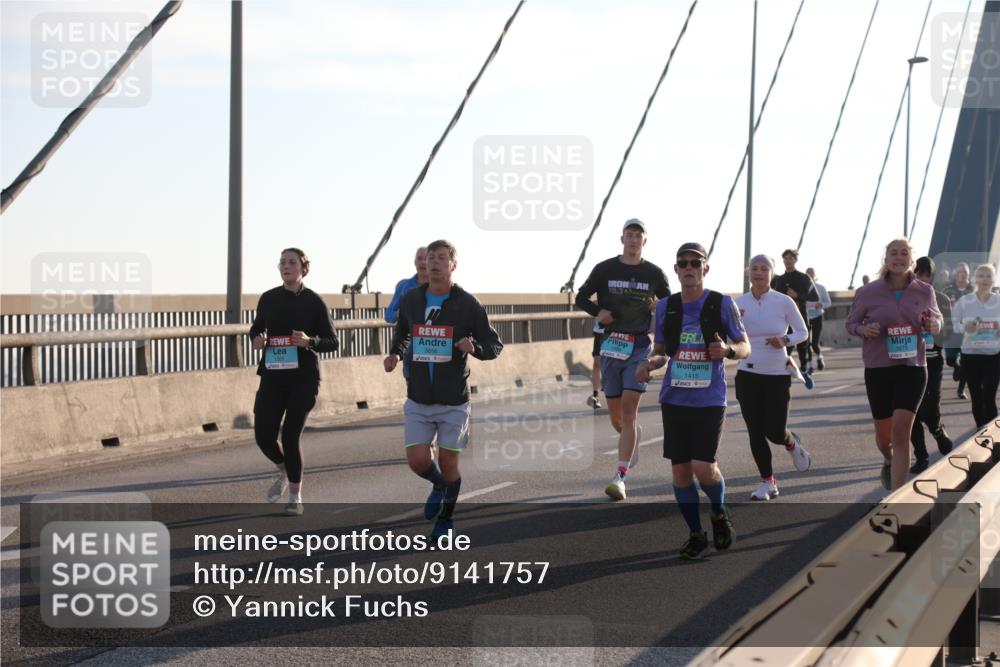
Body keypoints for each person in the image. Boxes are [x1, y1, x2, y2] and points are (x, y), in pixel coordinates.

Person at [384, 240, 503, 538]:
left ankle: (446, 520)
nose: (433, 262)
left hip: (453, 400)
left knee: (449, 462)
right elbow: (402, 334)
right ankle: (438, 485)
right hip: (419, 396)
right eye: (429, 258)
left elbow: (494, 345)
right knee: (418, 460)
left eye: (441, 258)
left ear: (453, 265)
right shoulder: (412, 300)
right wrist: (396, 353)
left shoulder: (467, 303)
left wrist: (474, 347)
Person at [637, 242, 748, 559]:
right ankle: (696, 534)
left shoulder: (721, 303)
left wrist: (727, 352)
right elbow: (660, 349)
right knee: (681, 473)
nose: (689, 268)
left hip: (709, 398)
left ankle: (718, 511)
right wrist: (649, 365)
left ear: (705, 268)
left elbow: (744, 346)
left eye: (695, 263)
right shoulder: (665, 307)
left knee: (704, 467)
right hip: (674, 398)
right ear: (675, 270)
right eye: (683, 263)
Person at [575, 218, 671, 500]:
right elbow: (581, 296)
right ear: (622, 240)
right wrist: (598, 313)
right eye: (628, 235)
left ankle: (620, 477)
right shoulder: (605, 268)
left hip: (639, 346)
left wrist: (659, 307)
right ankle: (632, 437)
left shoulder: (654, 273)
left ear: (644, 241)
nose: (633, 240)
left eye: (637, 236)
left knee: (628, 413)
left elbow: (672, 306)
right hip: (610, 347)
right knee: (617, 417)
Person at [845, 238, 942, 491]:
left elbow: (937, 319)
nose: (898, 257)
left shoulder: (924, 291)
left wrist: (935, 325)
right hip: (879, 369)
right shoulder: (868, 292)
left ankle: (897, 497)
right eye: (893, 253)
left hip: (913, 368)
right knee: (884, 437)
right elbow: (851, 324)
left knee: (901, 433)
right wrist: (863, 329)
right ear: (885, 259)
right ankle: (888, 459)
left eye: (904, 253)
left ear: (911, 259)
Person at [250, 248, 340, 516]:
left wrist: (309, 341)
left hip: (303, 379)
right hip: (273, 376)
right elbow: (257, 328)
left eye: (292, 262)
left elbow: (332, 341)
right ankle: (283, 468)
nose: (286, 266)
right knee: (264, 436)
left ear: (303, 269)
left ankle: (295, 496)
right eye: (282, 263)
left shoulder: (314, 302)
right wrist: (256, 338)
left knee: (290, 436)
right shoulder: (268, 298)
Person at [735, 255, 812, 501]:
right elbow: (731, 335)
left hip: (777, 373)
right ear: (749, 272)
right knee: (755, 431)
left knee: (775, 431)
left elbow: (803, 332)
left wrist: (785, 340)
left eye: (764, 268)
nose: (758, 273)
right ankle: (768, 482)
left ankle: (791, 443)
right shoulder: (738, 303)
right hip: (747, 374)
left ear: (772, 273)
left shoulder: (784, 301)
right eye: (754, 268)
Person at [909, 256, 954, 474]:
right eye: (918, 273)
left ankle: (936, 429)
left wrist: (934, 328)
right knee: (910, 412)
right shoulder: (902, 298)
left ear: (931, 277)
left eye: (926, 275)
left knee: (929, 406)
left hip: (933, 359)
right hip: (908, 361)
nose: (921, 278)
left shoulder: (941, 299)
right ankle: (921, 456)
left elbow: (949, 332)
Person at [952, 264, 1000, 427]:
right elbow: (953, 324)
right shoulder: (965, 301)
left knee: (989, 396)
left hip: (993, 356)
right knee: (977, 398)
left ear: (993, 279)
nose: (984, 279)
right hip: (970, 355)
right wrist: (965, 327)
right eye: (981, 276)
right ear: (975, 279)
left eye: (988, 276)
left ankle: (995, 439)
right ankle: (981, 430)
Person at [771, 249, 819, 373]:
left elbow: (815, 297)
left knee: (803, 344)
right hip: (783, 317)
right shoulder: (779, 279)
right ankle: (783, 367)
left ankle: (805, 367)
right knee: (786, 345)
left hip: (800, 315)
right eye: (786, 259)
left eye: (790, 259)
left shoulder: (803, 278)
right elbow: (774, 297)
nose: (788, 261)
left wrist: (797, 295)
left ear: (795, 261)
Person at [385, 247, 429, 379]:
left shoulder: (440, 288)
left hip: (435, 344)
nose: (423, 263)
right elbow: (388, 316)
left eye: (426, 259)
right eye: (419, 259)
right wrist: (399, 314)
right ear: (414, 262)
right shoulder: (404, 286)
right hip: (411, 345)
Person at [945, 262, 974, 399]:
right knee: (950, 360)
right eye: (959, 271)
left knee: (967, 362)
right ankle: (956, 367)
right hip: (952, 331)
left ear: (968, 274)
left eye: (965, 272)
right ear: (955, 274)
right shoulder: (948, 290)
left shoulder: (974, 290)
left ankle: (961, 390)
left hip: (968, 332)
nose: (962, 274)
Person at [805, 267, 832, 372]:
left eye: (811, 273)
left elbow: (828, 303)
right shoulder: (802, 288)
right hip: (806, 317)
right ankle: (810, 365)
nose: (809, 275)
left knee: (814, 343)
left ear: (815, 275)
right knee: (806, 343)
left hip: (818, 316)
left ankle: (820, 358)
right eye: (807, 274)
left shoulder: (821, 288)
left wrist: (820, 304)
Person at [588, 319, 604, 409]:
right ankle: (595, 395)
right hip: (599, 332)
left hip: (614, 332)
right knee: (597, 363)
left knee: (613, 364)